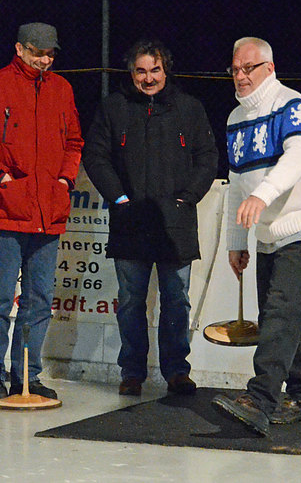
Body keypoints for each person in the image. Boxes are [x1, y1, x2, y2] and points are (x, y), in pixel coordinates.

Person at [212, 37, 301, 436]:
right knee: (275, 319)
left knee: (281, 314)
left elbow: (298, 157)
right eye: (235, 69)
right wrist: (236, 241)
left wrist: (261, 196)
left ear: (269, 67)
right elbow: (235, 183)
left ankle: (260, 400)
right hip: (267, 233)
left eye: (249, 68)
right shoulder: (234, 119)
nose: (241, 76)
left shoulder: (292, 105)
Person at [82, 40, 218, 396]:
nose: (148, 78)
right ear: (131, 73)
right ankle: (132, 372)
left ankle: (176, 371)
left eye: (155, 70)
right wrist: (120, 198)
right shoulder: (114, 108)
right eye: (141, 71)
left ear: (166, 70)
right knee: (130, 302)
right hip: (131, 221)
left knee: (177, 300)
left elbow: (207, 157)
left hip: (176, 223)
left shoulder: (189, 108)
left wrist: (187, 198)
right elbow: (95, 157)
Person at [0, 22, 83, 402]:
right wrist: (2, 179)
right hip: (7, 210)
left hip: (49, 211)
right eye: (37, 52)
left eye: (50, 53)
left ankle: (27, 374)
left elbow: (74, 141)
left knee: (39, 299)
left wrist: (64, 181)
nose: (44, 59)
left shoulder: (62, 88)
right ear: (19, 49)